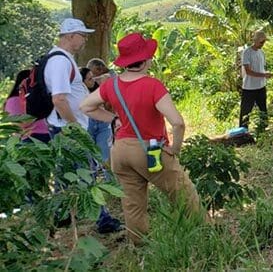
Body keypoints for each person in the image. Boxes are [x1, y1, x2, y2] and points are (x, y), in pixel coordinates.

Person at [80, 32, 204, 244]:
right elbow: (178, 122)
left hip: (120, 151)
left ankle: (139, 244)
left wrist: (113, 118)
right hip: (149, 150)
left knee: (132, 204)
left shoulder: (112, 85)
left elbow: (85, 106)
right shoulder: (153, 85)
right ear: (146, 59)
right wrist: (175, 149)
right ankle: (203, 236)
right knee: (183, 193)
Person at [46, 18, 121, 233]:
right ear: (70, 36)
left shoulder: (61, 59)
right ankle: (102, 219)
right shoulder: (60, 62)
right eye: (83, 36)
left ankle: (61, 215)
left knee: (65, 173)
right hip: (69, 129)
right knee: (87, 173)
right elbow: (59, 99)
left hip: (63, 127)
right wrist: (75, 126)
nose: (85, 40)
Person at [4, 69, 51, 143]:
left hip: (44, 134)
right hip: (31, 137)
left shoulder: (35, 98)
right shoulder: (14, 100)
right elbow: (20, 124)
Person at [239, 30, 273, 128]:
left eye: (264, 42)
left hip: (261, 86)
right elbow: (248, 71)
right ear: (255, 41)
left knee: (263, 110)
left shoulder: (262, 52)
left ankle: (263, 130)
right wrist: (264, 75)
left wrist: (265, 74)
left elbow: (261, 68)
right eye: (261, 42)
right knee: (245, 112)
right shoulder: (247, 52)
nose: (263, 44)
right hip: (249, 88)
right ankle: (243, 132)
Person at [81, 64, 113, 166]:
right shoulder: (79, 92)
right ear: (82, 82)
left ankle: (110, 179)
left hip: (102, 123)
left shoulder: (96, 86)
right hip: (87, 122)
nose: (93, 80)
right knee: (88, 157)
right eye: (90, 79)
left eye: (93, 77)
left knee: (106, 155)